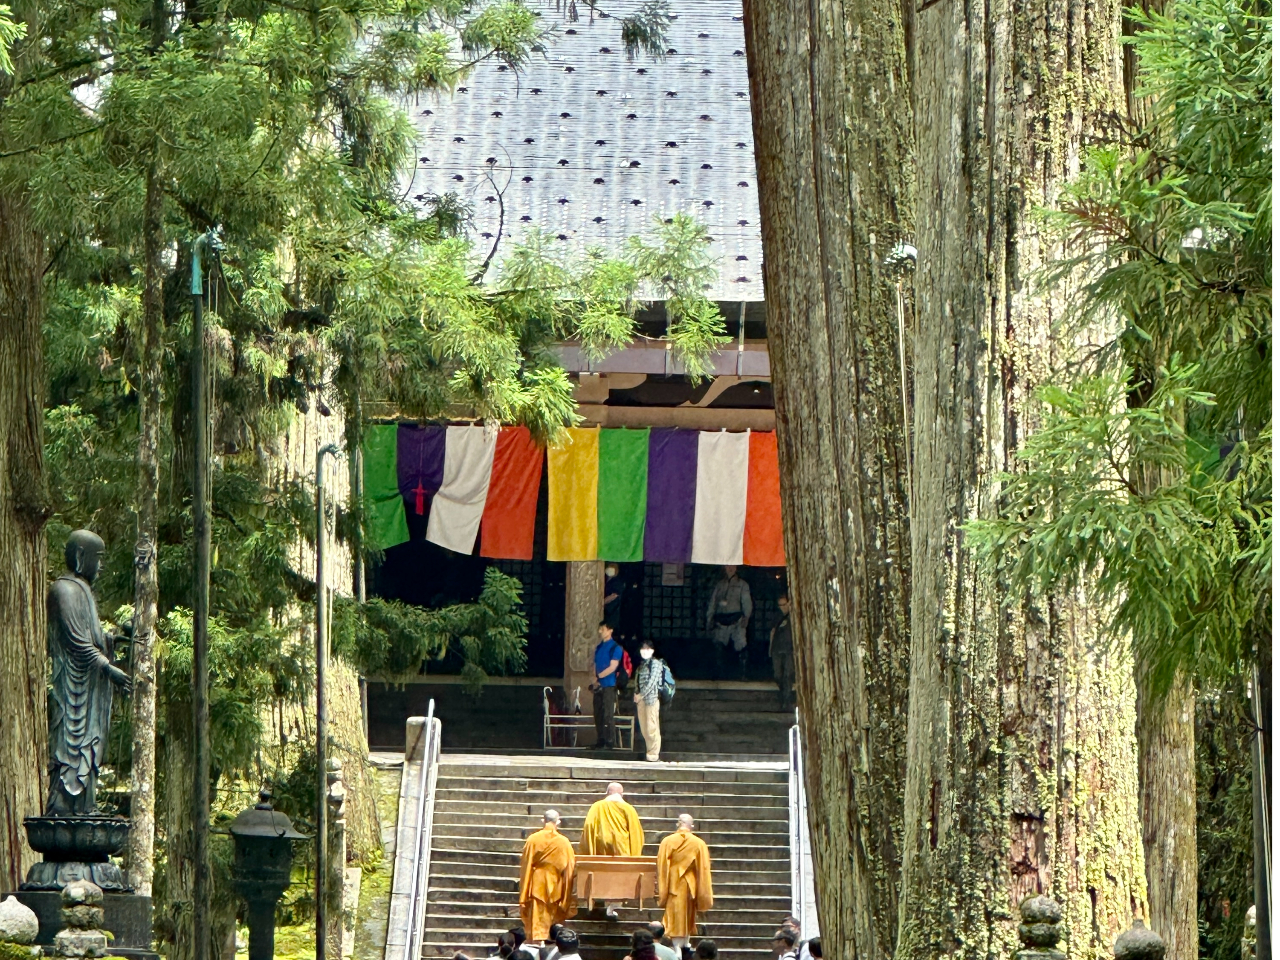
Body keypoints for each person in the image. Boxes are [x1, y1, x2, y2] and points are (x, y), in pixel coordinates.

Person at [579, 782, 645, 920]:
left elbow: (589, 827)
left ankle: (601, 897)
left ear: (607, 793)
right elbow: (636, 833)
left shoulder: (597, 806)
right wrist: (635, 852)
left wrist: (589, 847)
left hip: (600, 846)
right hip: (622, 847)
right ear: (621, 794)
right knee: (618, 873)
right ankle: (615, 903)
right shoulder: (628, 808)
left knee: (602, 871)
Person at [519, 810, 577, 943]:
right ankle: (552, 941)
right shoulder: (564, 842)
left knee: (537, 915)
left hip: (537, 882)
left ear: (542, 821)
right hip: (555, 883)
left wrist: (524, 892)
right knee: (553, 915)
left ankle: (537, 941)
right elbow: (570, 868)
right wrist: (567, 894)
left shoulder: (533, 839)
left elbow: (526, 865)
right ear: (558, 822)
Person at [657, 814, 713, 951]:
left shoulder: (667, 841)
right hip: (690, 884)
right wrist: (703, 891)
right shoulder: (699, 843)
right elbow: (703, 868)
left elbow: (662, 866)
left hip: (673, 882)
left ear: (678, 824)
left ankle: (678, 945)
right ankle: (685, 942)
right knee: (687, 912)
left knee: (675, 913)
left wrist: (662, 887)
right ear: (691, 826)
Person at [706, 565, 752, 679]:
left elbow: (746, 601)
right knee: (718, 647)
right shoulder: (719, 585)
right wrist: (709, 618)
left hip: (737, 619)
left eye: (733, 566)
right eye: (728, 566)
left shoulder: (742, 584)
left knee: (741, 646)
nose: (730, 568)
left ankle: (743, 673)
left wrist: (746, 616)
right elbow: (713, 603)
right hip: (721, 619)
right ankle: (719, 673)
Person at [633, 639, 670, 762]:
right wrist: (636, 694)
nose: (645, 651)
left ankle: (654, 753)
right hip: (641, 700)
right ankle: (649, 752)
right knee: (644, 727)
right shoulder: (641, 665)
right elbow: (637, 681)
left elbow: (652, 682)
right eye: (643, 648)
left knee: (651, 726)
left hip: (651, 699)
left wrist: (641, 695)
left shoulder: (656, 664)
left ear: (653, 650)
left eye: (648, 648)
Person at [590, 621, 624, 748]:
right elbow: (594, 664)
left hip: (609, 684)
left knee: (608, 714)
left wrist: (599, 676)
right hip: (598, 685)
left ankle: (611, 741)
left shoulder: (616, 648)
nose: (600, 632)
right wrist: (594, 679)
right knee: (598, 713)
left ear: (610, 630)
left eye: (603, 629)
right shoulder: (599, 647)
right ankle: (601, 739)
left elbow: (613, 667)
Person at [769, 595, 795, 709]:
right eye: (780, 605)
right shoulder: (777, 616)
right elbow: (773, 632)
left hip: (790, 649)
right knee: (777, 674)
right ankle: (783, 693)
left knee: (788, 675)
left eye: (784, 605)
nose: (782, 608)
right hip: (777, 648)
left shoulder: (794, 617)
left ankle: (786, 699)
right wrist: (770, 648)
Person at [603, 563, 626, 629]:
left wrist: (603, 601)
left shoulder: (618, 582)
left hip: (612, 608)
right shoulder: (604, 578)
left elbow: (614, 595)